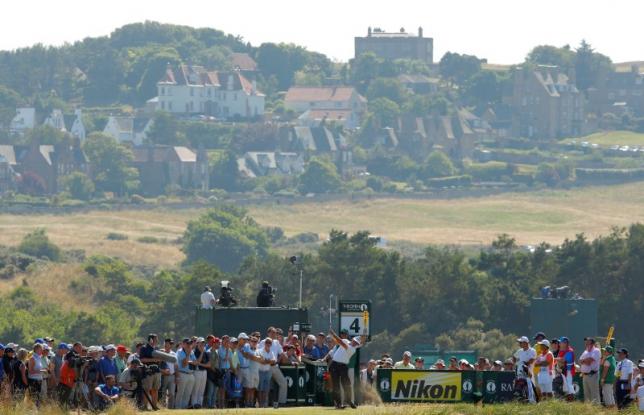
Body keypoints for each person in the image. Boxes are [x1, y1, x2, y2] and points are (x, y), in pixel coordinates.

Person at [328, 329, 363, 409]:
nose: (355, 344)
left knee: (347, 384)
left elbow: (340, 342)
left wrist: (333, 334)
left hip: (343, 366)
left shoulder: (353, 349)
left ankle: (349, 401)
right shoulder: (345, 340)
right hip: (334, 365)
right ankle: (338, 404)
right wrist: (332, 336)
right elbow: (338, 341)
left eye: (356, 343)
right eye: (355, 342)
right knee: (336, 385)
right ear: (353, 340)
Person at [260, 327, 287, 409]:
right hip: (265, 367)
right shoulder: (262, 342)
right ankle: (265, 404)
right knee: (266, 386)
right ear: (268, 333)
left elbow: (282, 353)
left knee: (283, 383)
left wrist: (277, 361)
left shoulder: (276, 342)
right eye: (272, 333)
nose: (274, 334)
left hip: (274, 367)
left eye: (275, 333)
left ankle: (281, 403)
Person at [138, 334, 162, 409]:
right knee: (147, 389)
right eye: (155, 339)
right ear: (151, 340)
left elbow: (159, 360)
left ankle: (154, 406)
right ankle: (145, 406)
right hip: (148, 372)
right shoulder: (144, 348)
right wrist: (153, 360)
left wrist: (159, 360)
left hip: (157, 371)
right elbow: (141, 360)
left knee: (155, 389)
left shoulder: (157, 348)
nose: (157, 340)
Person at [514, 336, 537, 403]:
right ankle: (523, 401)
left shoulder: (532, 350)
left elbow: (532, 360)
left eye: (520, 342)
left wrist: (524, 363)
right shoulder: (519, 351)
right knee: (520, 388)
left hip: (529, 373)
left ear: (525, 343)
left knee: (530, 388)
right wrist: (517, 363)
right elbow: (514, 357)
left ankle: (532, 401)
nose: (519, 344)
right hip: (520, 372)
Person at [175, 338, 196, 410]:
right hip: (182, 374)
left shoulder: (191, 351)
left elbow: (195, 362)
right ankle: (178, 408)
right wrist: (188, 355)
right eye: (187, 343)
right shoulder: (179, 352)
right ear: (183, 344)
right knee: (180, 392)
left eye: (190, 343)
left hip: (191, 374)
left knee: (188, 393)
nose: (189, 345)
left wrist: (189, 360)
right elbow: (184, 364)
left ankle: (184, 407)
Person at [579, 337, 601, 404]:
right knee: (586, 393)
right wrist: (585, 360)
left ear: (592, 344)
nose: (586, 344)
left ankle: (596, 409)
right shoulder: (585, 351)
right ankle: (588, 409)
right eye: (586, 343)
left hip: (592, 375)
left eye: (588, 343)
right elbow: (580, 360)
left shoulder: (596, 351)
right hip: (585, 375)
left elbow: (589, 361)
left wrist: (584, 360)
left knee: (594, 393)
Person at [257, 337, 276, 408]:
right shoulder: (260, 351)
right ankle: (260, 404)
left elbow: (274, 361)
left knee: (266, 390)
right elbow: (262, 362)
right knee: (260, 389)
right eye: (267, 342)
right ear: (264, 343)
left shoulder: (271, 352)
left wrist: (267, 361)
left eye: (270, 343)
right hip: (260, 372)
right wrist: (269, 361)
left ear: (271, 344)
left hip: (268, 372)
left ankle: (264, 404)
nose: (268, 344)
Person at [159, 338, 177, 409]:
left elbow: (176, 366)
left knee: (172, 394)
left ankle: (170, 408)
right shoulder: (161, 353)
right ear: (165, 344)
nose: (171, 345)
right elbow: (158, 364)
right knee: (162, 392)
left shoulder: (174, 354)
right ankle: (162, 407)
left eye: (171, 343)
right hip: (163, 376)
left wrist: (176, 376)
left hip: (172, 376)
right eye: (170, 343)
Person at [191, 337, 209, 409]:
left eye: (203, 343)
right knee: (196, 390)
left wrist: (201, 364)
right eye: (201, 343)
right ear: (197, 343)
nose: (202, 344)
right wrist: (201, 352)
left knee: (201, 390)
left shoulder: (205, 352)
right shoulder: (194, 352)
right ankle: (194, 405)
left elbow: (209, 364)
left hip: (204, 372)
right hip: (197, 372)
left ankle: (199, 405)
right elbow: (197, 361)